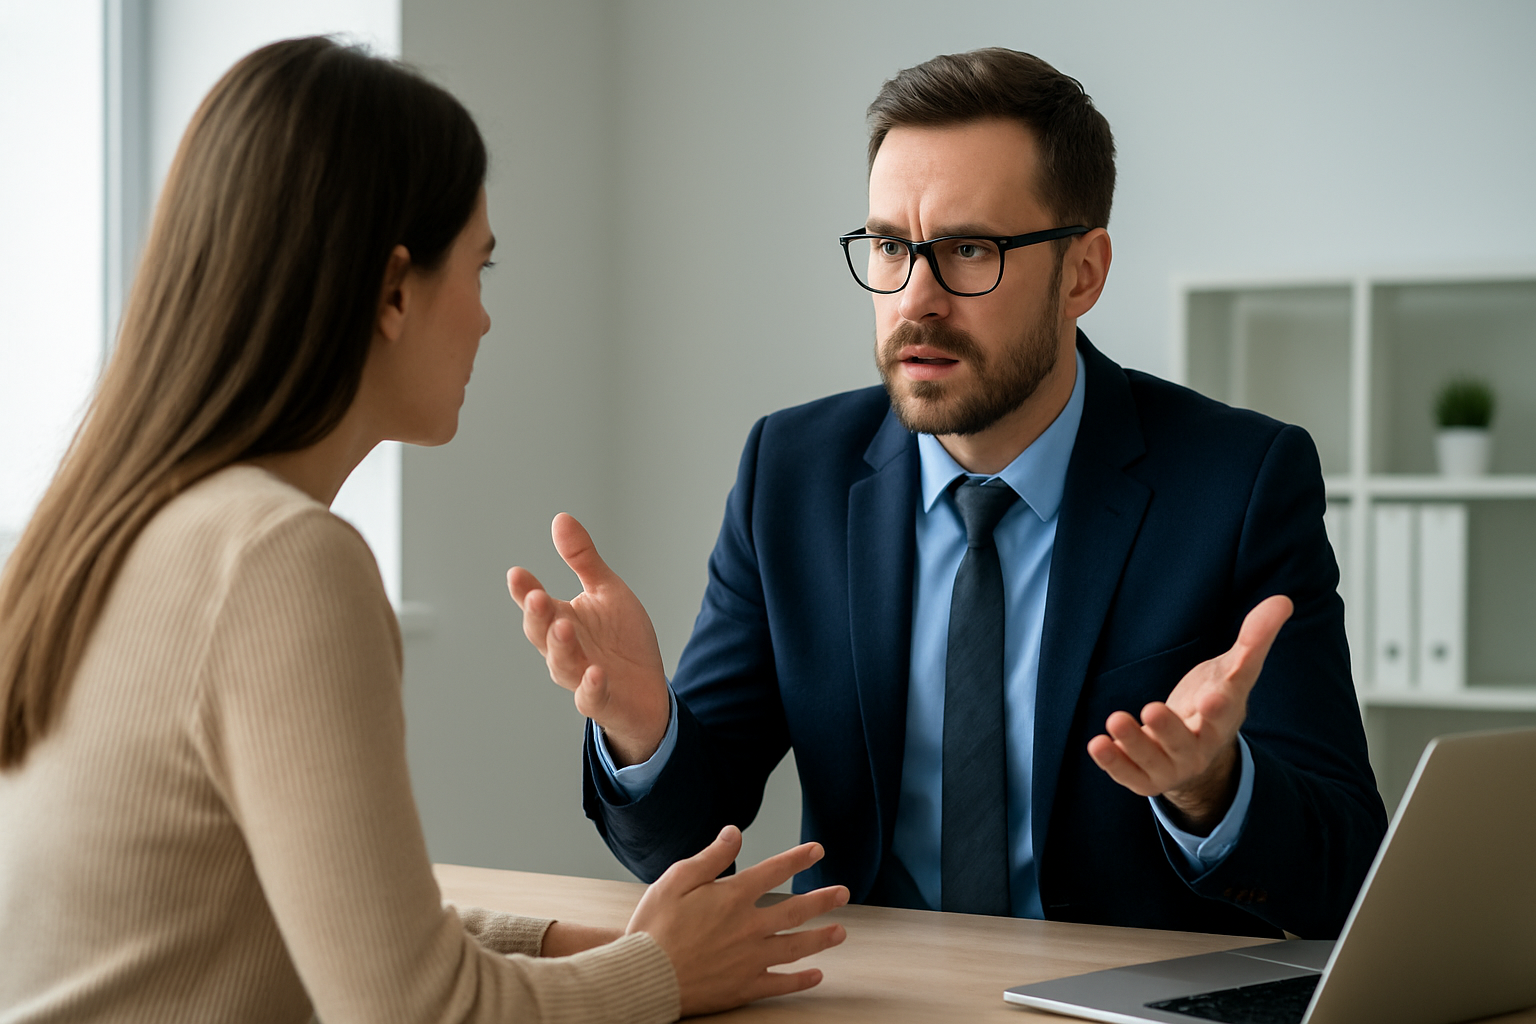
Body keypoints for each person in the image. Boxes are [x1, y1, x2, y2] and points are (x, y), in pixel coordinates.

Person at [0, 37, 848, 1024]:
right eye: (479, 268)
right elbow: (419, 1011)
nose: (485, 320)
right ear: (395, 292)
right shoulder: (280, 559)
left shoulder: (109, 529)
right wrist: (660, 973)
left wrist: (597, 948)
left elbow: (334, 926)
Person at [510, 48, 1387, 940]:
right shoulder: (793, 473)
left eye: (971, 250)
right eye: (891, 246)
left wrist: (1212, 787)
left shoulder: (1239, 482)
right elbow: (688, 843)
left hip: (1122, 995)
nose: (915, 299)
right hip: (873, 990)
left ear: (1082, 273)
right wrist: (645, 730)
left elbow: (1347, 870)